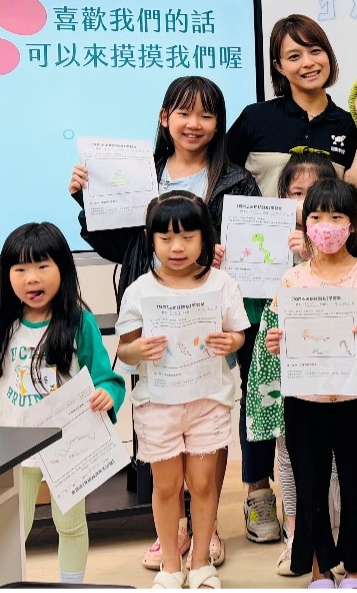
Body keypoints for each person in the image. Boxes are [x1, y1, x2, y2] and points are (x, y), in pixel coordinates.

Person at [69, 75, 258, 570]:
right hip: (154, 317)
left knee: (210, 419)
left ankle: (206, 529)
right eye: (184, 113)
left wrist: (231, 257)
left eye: (206, 115)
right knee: (158, 420)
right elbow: (119, 245)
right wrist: (87, 200)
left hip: (209, 317)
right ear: (164, 118)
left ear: (218, 123)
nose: (194, 124)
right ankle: (172, 530)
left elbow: (256, 249)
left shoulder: (236, 180)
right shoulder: (138, 172)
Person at [0, 222, 126, 585]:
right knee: (12, 526)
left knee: (70, 523)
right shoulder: (3, 327)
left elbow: (106, 377)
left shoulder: (79, 323)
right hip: (15, 447)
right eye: (20, 269)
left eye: (42, 266)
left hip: (66, 446)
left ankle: (71, 586)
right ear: (7, 275)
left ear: (62, 268)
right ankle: (3, 582)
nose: (32, 278)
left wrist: (107, 395)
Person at [115, 193, 249, 589]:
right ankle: (171, 566)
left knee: (203, 484)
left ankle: (202, 561)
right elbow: (124, 349)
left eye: (188, 237)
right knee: (167, 485)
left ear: (205, 238)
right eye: (166, 238)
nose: (177, 247)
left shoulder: (222, 284)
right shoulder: (139, 290)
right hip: (159, 404)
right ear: (151, 239)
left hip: (208, 399)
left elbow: (238, 333)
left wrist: (231, 341)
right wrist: (137, 350)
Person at [264, 178, 357, 588]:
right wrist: (276, 342)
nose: (326, 226)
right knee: (311, 486)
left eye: (336, 217)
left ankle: (355, 567)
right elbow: (282, 338)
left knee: (355, 484)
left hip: (354, 397)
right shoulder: (292, 280)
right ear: (305, 224)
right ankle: (320, 568)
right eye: (316, 217)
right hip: (304, 400)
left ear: (353, 225)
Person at [245, 152, 345, 576]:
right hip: (278, 348)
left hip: (328, 351)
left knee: (333, 448)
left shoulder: (343, 238)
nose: (304, 203)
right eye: (296, 193)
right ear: (283, 196)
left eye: (314, 193)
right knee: (286, 446)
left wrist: (311, 256)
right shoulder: (268, 231)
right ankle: (295, 535)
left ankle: (332, 541)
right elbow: (248, 286)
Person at [227, 14, 357, 204]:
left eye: (315, 51)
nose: (308, 62)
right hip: (261, 225)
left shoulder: (348, 125)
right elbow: (221, 177)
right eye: (294, 56)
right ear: (279, 66)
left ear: (328, 55)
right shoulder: (255, 117)